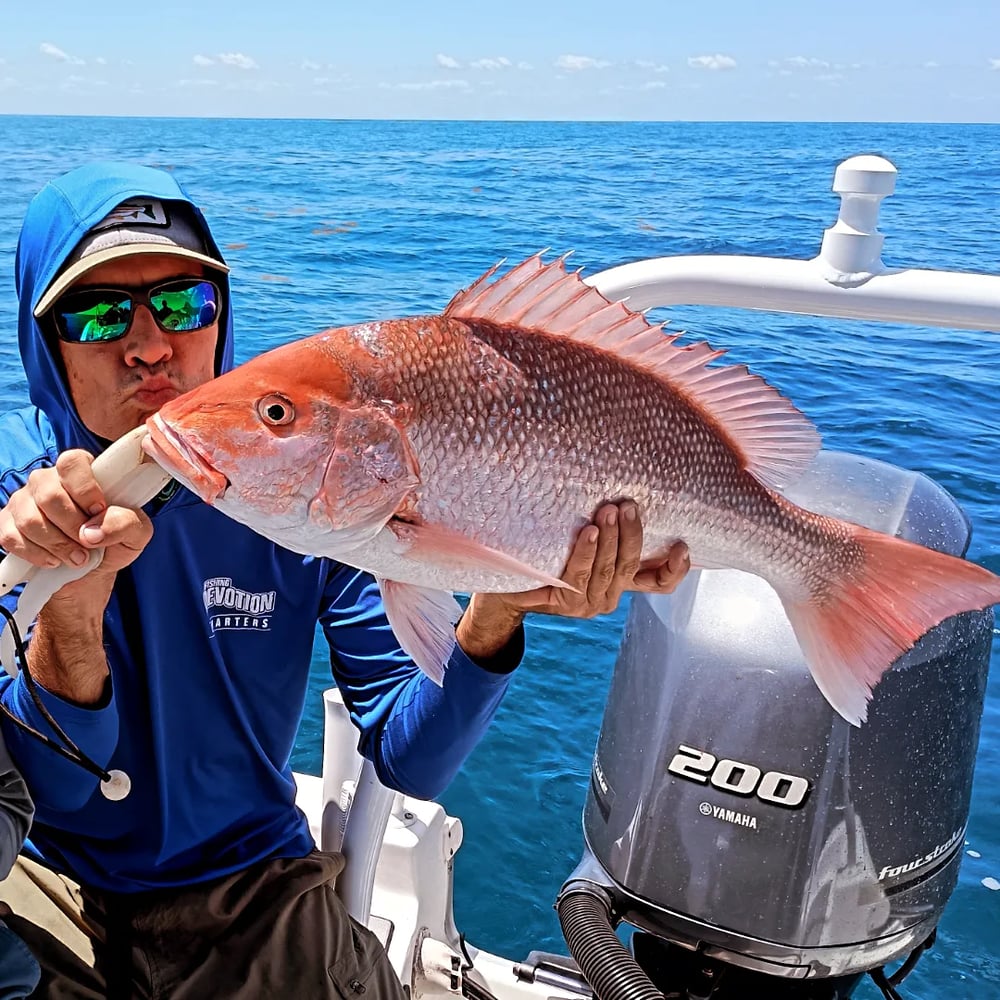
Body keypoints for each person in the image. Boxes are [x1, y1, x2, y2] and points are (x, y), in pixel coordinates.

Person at [0, 161, 690, 999]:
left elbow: (412, 758)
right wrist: (69, 611)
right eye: (99, 313)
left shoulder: (311, 486)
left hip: (253, 882)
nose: (149, 345)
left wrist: (492, 612)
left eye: (184, 304)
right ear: (47, 344)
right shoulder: (18, 502)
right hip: (53, 879)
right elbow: (58, 791)